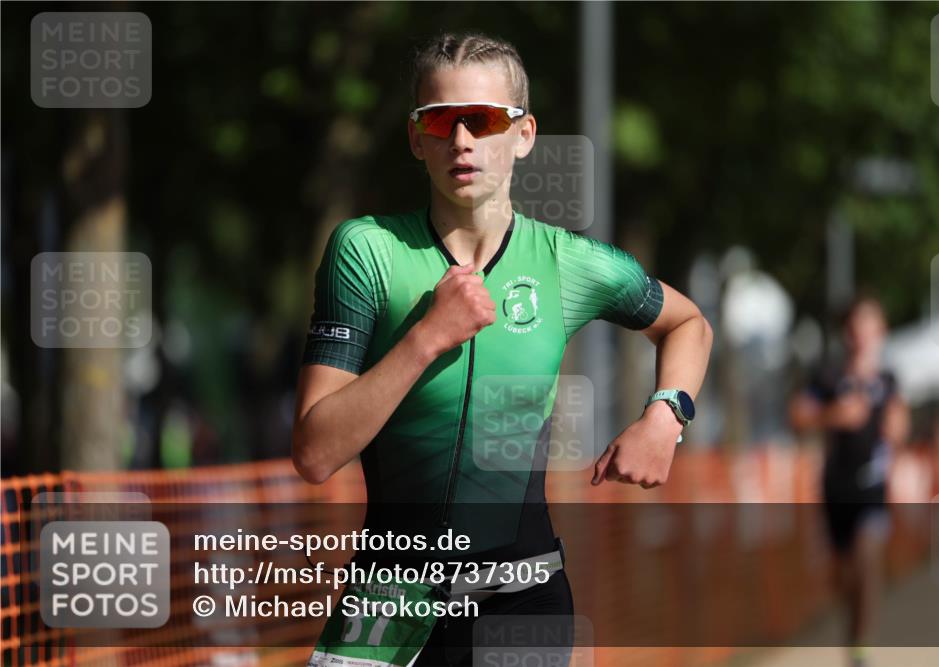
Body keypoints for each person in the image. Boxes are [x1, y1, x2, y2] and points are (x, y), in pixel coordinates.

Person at [292, 32, 713, 667]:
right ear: (416, 138)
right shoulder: (367, 250)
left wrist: (666, 415)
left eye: (484, 120)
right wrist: (428, 336)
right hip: (388, 603)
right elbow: (316, 453)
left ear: (523, 135)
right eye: (440, 120)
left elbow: (689, 325)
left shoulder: (568, 261)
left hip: (523, 603)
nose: (462, 140)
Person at [789, 295, 910, 667]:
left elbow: (899, 428)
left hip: (873, 488)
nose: (862, 334)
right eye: (856, 326)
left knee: (868, 557)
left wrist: (896, 426)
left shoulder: (888, 380)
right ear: (847, 333)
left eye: (869, 325)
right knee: (845, 577)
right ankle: (853, 637)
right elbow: (797, 416)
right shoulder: (828, 376)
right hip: (835, 488)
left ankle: (862, 646)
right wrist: (832, 415)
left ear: (881, 331)